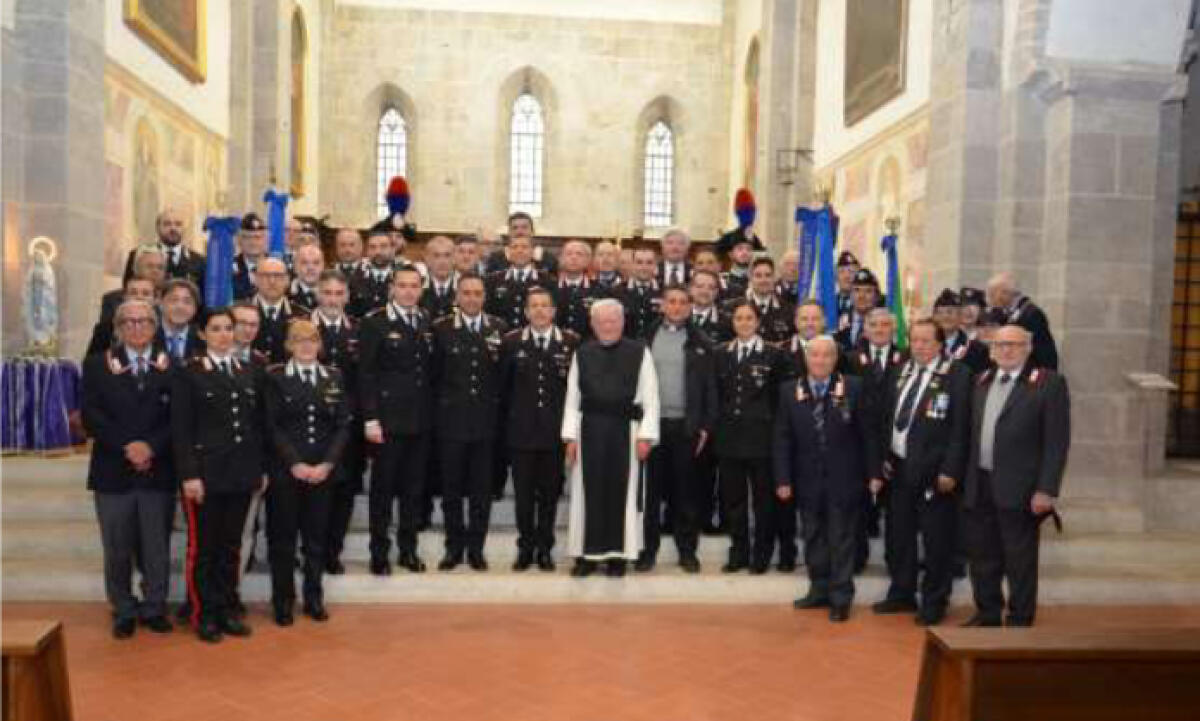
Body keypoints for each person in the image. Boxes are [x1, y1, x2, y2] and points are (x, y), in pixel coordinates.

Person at [962, 325, 1070, 627]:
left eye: (1014, 345)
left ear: (1028, 348)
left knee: (1019, 560)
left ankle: (1020, 617)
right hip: (980, 484)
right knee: (982, 558)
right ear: (991, 350)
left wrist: (1046, 489)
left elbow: (1056, 443)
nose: (1006, 350)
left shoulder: (1048, 384)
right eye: (1000, 345)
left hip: (1021, 489)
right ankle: (987, 613)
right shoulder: (980, 381)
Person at [82, 299, 176, 639]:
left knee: (156, 546)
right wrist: (129, 447)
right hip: (112, 470)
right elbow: (92, 416)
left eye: (145, 322)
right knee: (117, 546)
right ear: (118, 328)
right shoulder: (96, 365)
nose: (137, 328)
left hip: (157, 469)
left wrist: (151, 446)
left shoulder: (171, 366)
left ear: (155, 327)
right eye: (129, 322)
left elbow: (176, 419)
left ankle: (154, 606)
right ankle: (123, 607)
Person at [172, 307, 265, 643]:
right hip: (205, 476)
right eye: (216, 329)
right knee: (203, 547)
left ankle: (227, 608)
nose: (225, 335)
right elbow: (181, 429)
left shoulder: (247, 368)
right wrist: (189, 475)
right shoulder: (189, 371)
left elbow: (255, 427)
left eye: (229, 328)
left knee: (230, 546)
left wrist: (259, 470)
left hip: (240, 473)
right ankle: (204, 613)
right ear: (202, 334)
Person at [869, 319, 970, 626]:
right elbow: (886, 419)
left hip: (935, 473)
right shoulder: (900, 371)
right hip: (898, 469)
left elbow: (962, 429)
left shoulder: (958, 375)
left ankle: (934, 601)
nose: (920, 346)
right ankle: (902, 593)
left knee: (937, 541)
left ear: (940, 344)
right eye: (915, 340)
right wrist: (884, 457)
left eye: (927, 341)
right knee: (899, 536)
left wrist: (951, 469)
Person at [775, 336, 877, 622]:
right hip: (806, 480)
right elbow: (782, 438)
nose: (820, 361)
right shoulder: (788, 390)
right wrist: (783, 478)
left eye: (826, 355)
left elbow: (867, 434)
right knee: (813, 538)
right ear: (806, 358)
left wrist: (873, 473)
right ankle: (818, 590)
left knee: (841, 539)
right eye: (814, 355)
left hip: (844, 479)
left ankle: (841, 596)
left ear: (835, 359)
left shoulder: (853, 387)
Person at [562, 299, 660, 577]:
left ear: (622, 322)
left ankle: (619, 556)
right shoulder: (582, 353)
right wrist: (570, 437)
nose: (608, 325)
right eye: (602, 321)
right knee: (586, 494)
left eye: (613, 320)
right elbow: (572, 399)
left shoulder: (640, 352)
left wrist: (646, 436)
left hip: (626, 433)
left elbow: (651, 398)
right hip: (589, 430)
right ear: (593, 324)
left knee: (623, 494)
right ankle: (586, 556)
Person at [264, 320, 351, 626]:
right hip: (287, 473)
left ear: (319, 344)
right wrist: (295, 463)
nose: (305, 345)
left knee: (316, 540)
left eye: (311, 339)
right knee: (283, 541)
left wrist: (327, 464)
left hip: (322, 474)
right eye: (298, 340)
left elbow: (342, 425)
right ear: (289, 344)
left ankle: (313, 598)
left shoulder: (334, 376)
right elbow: (272, 426)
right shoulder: (275, 377)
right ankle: (283, 601)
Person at [359, 267, 434, 575]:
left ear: (421, 289)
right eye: (402, 286)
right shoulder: (375, 322)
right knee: (383, 491)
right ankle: (379, 553)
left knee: (413, 490)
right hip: (387, 422)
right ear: (392, 288)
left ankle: (408, 550)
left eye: (414, 286)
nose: (408, 291)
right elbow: (366, 374)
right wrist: (370, 418)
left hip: (420, 421)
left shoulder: (426, 321)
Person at [499, 287, 580, 571]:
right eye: (534, 305)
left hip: (553, 435)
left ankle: (545, 548)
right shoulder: (510, 342)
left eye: (545, 305)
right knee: (522, 496)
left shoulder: (571, 342)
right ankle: (525, 548)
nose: (540, 310)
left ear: (554, 311)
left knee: (548, 496)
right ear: (525, 311)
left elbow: (576, 392)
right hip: (520, 434)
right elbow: (503, 391)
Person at [431, 275, 509, 571]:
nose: (472, 298)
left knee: (481, 492)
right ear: (457, 296)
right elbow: (434, 377)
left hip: (486, 426)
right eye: (467, 293)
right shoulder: (441, 329)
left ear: (485, 296)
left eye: (478, 293)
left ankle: (476, 547)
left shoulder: (498, 329)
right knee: (451, 491)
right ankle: (454, 547)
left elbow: (502, 378)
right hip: (450, 424)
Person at [639, 286, 718, 573]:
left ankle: (687, 551)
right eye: (671, 302)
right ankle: (647, 551)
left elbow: (711, 389)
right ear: (662, 305)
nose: (676, 307)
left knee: (687, 494)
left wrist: (706, 428)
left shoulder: (702, 341)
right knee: (650, 494)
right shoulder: (646, 338)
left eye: (683, 302)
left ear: (690, 307)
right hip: (652, 427)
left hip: (687, 428)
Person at [714, 300, 793, 573]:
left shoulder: (774, 355)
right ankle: (738, 553)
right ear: (732, 322)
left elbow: (782, 401)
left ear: (758, 322)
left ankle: (761, 554)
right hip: (730, 440)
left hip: (762, 440)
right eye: (739, 318)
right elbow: (717, 396)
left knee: (764, 502)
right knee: (734, 501)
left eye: (749, 318)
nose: (744, 323)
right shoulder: (721, 353)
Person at [310, 270, 363, 574]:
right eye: (327, 293)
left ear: (347, 297)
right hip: (310, 429)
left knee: (344, 494)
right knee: (312, 494)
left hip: (347, 430)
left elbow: (364, 379)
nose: (332, 299)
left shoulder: (358, 330)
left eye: (338, 294)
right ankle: (311, 550)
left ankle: (333, 550)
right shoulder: (301, 328)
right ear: (318, 295)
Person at [986, 272, 1059, 371]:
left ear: (1005, 293)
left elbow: (1043, 352)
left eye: (992, 293)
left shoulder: (1031, 314)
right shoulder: (1001, 312)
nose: (989, 298)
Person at [123, 207, 205, 292]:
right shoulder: (138, 256)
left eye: (178, 224)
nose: (173, 228)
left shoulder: (199, 261)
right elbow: (128, 290)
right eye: (167, 224)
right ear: (158, 227)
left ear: (184, 228)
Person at [485, 234, 554, 330]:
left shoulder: (547, 281)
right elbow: (488, 313)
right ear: (508, 252)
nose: (519, 251)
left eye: (524, 247)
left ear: (532, 252)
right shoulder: (492, 280)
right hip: (501, 337)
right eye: (514, 247)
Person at [253, 257, 309, 364]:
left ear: (287, 280)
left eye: (278, 276)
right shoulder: (241, 312)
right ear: (256, 279)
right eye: (266, 276)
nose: (272, 281)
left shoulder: (302, 315)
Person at [87, 275, 158, 356]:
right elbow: (92, 363)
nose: (139, 297)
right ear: (125, 297)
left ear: (155, 300)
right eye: (133, 293)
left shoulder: (163, 330)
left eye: (146, 294)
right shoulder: (106, 328)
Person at [732, 257, 793, 343]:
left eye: (768, 275)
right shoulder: (734, 307)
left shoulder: (788, 310)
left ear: (774, 278)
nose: (763, 280)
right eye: (758, 276)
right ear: (750, 278)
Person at [933, 289, 990, 376]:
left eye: (950, 312)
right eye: (940, 313)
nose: (945, 317)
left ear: (960, 316)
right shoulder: (926, 344)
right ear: (934, 317)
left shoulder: (978, 350)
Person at [554, 240, 603, 338]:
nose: (574, 257)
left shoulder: (599, 290)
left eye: (579, 254)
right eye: (569, 254)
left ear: (588, 260)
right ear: (561, 259)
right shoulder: (550, 289)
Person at [349, 230, 398, 317]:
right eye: (372, 247)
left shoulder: (402, 275)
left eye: (383, 247)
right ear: (366, 251)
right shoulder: (354, 277)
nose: (378, 252)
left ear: (392, 249)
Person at [616, 247, 662, 339]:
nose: (644, 267)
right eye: (639, 262)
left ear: (655, 265)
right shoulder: (617, 292)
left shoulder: (664, 292)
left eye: (649, 263)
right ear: (632, 265)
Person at [158, 279, 205, 364]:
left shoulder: (203, 340)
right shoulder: (147, 335)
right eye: (174, 300)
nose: (180, 306)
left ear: (195, 309)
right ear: (161, 303)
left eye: (187, 302)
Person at [835, 268, 882, 350]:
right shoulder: (838, 319)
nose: (861, 296)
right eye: (857, 290)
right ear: (851, 294)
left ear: (877, 296)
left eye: (868, 291)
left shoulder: (883, 323)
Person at [420, 235, 459, 321]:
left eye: (447, 255)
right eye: (436, 256)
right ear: (427, 259)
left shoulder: (464, 286)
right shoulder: (418, 286)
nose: (442, 261)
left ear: (454, 259)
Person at [688, 270, 731, 344]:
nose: (705, 291)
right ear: (690, 289)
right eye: (700, 286)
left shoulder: (727, 322)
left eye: (711, 288)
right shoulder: (679, 316)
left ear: (716, 292)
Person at [232, 213, 268, 301]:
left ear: (266, 240)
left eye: (257, 237)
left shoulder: (277, 266)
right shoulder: (228, 269)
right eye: (247, 237)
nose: (253, 242)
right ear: (239, 241)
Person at [288, 244, 325, 311]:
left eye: (316, 263)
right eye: (304, 263)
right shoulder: (285, 295)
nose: (310, 268)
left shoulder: (335, 294)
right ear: (295, 267)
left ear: (323, 267)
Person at [835, 251, 860, 322]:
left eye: (851, 271)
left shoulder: (864, 303)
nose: (846, 276)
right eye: (841, 271)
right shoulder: (829, 303)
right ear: (836, 276)